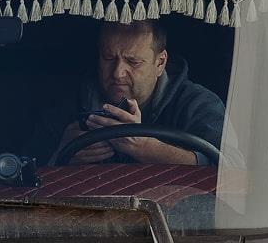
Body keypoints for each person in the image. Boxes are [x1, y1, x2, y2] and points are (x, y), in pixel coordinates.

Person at [39, 21, 228, 166]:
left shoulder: (198, 104)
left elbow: (233, 173)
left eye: (133, 62)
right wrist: (60, 154)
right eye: (108, 58)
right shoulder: (66, 103)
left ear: (160, 63)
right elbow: (27, 169)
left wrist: (146, 147)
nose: (117, 73)